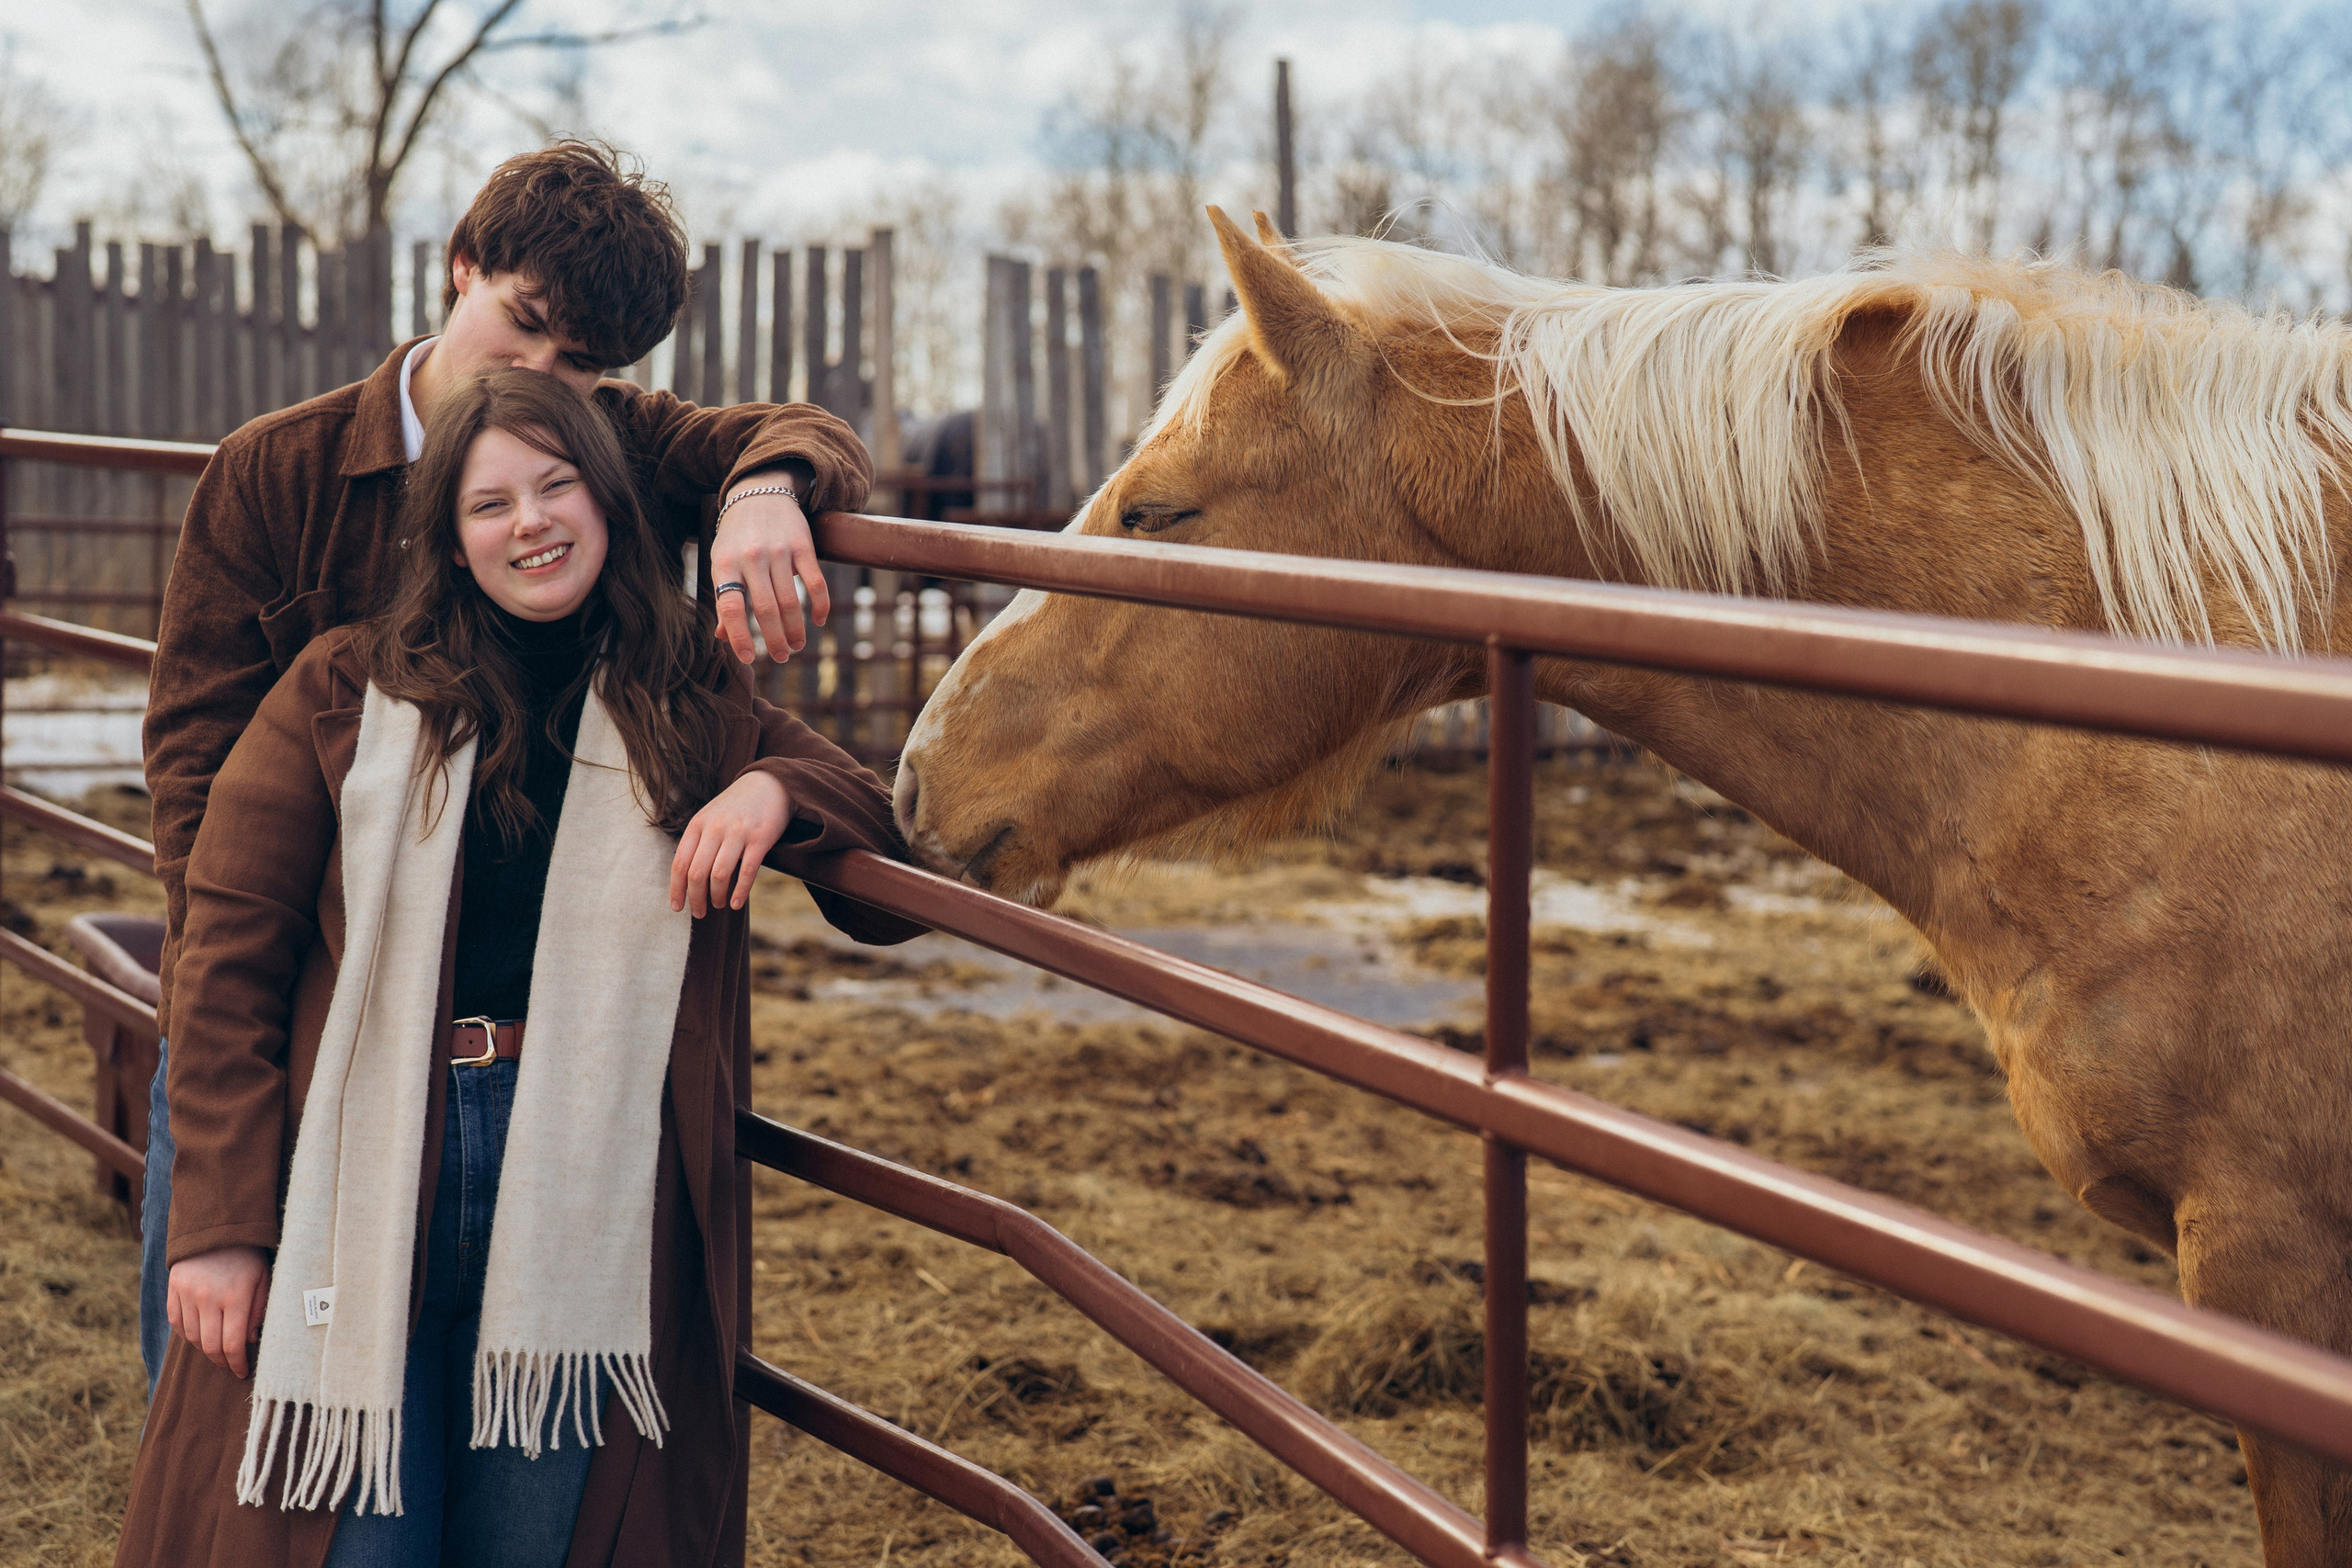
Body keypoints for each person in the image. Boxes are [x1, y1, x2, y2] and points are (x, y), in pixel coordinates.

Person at [115, 368, 922, 1568]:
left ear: (609, 504)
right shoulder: (340, 694)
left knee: (539, 1544)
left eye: (556, 488)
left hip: (576, 1174)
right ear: (449, 538)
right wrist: (222, 1226)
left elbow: (886, 836)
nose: (530, 522)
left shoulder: (680, 693)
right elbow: (226, 962)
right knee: (359, 1542)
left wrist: (773, 787)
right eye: (489, 505)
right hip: (372, 1163)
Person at [137, 139, 865, 1396]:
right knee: (228, 1394)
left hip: (518, 1037)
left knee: (482, 1417)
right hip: (299, 1003)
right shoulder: (274, 473)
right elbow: (194, 771)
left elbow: (797, 429)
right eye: (522, 323)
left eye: (580, 363)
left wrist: (765, 488)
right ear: (461, 265)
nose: (538, 374)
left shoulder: (611, 444)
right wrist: (243, 1039)